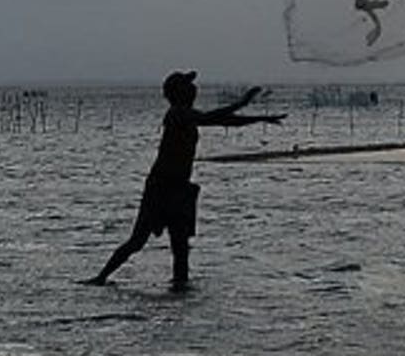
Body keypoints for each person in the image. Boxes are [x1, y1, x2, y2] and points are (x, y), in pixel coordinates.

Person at [85, 71, 284, 290]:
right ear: (178, 93)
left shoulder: (187, 115)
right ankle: (101, 277)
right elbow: (211, 117)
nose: (194, 90)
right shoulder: (177, 114)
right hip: (160, 188)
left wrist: (260, 118)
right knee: (137, 241)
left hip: (180, 189)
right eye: (188, 86)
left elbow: (223, 121)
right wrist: (243, 101)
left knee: (180, 246)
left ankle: (180, 287)